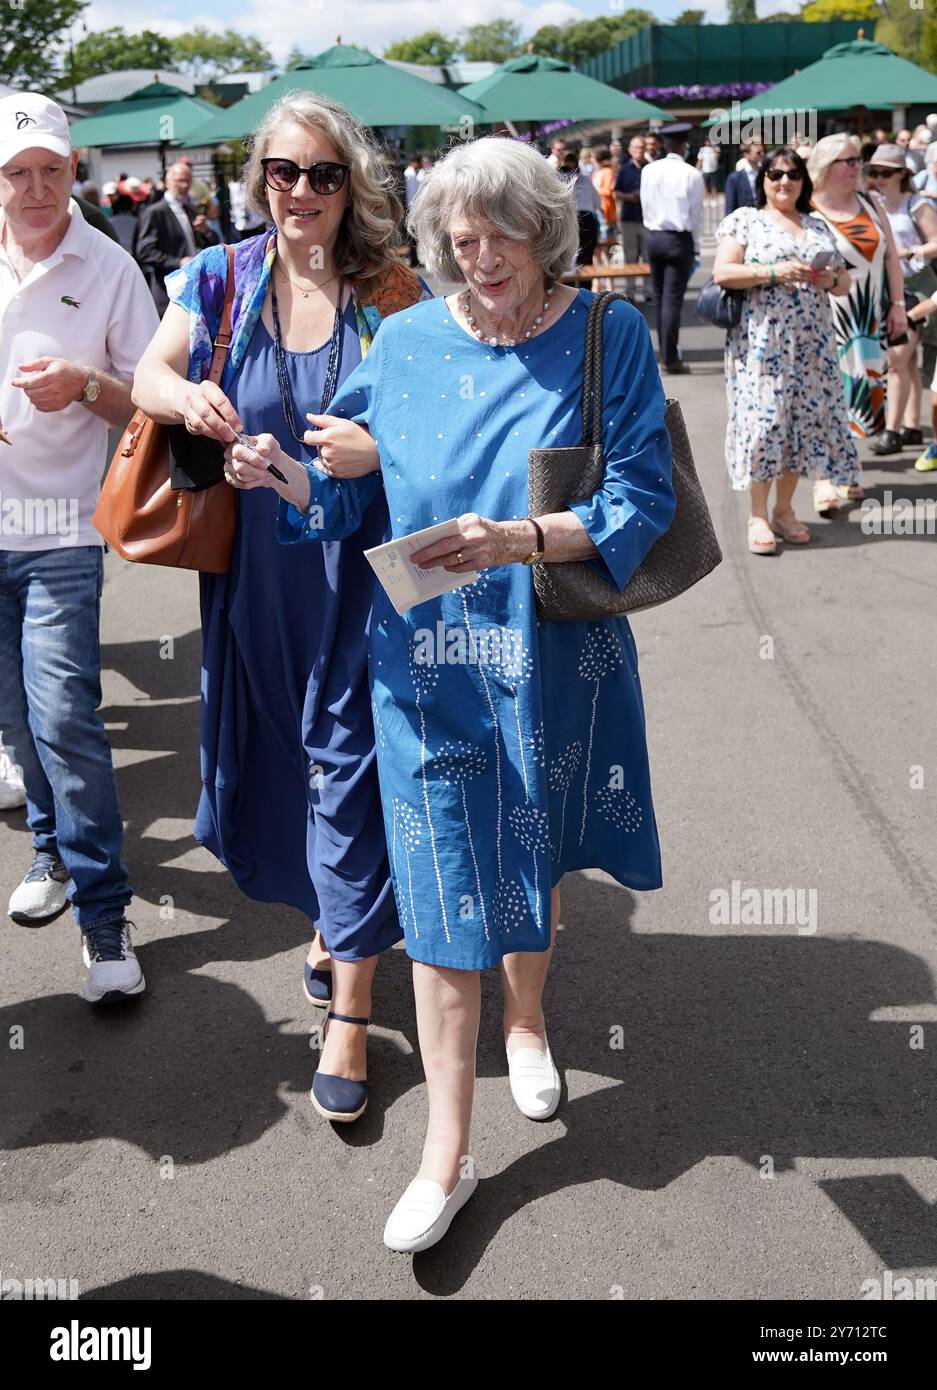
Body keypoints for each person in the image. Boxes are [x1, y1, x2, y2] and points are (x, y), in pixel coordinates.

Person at [226, 135, 676, 1253]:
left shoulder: (604, 334)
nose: (481, 259)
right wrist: (288, 475)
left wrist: (516, 536)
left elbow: (642, 497)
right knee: (437, 895)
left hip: (552, 650)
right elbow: (346, 503)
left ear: (545, 228)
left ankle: (527, 1023)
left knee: (527, 850)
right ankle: (447, 1154)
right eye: (460, 240)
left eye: (503, 236)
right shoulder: (408, 337)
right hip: (422, 662)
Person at [132, 90, 430, 1123]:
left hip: (359, 574)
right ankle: (332, 918)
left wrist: (375, 449)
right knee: (281, 755)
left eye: (323, 174)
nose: (299, 192)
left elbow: (444, 432)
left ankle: (350, 1007)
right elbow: (148, 371)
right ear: (258, 179)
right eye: (281, 172)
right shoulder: (221, 276)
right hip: (253, 576)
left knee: (346, 762)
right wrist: (188, 400)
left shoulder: (392, 291)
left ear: (355, 184)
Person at [0, 92, 159, 1000]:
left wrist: (85, 382)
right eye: (17, 173)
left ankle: (104, 922)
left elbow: (147, 400)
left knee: (64, 717)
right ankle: (53, 858)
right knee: (20, 724)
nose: (35, 189)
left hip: (60, 530)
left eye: (51, 171)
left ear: (75, 169)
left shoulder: (105, 264)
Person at [713, 147, 857, 555]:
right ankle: (757, 514)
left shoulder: (816, 225)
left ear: (803, 180)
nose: (784, 181)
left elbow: (844, 284)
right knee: (765, 423)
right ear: (762, 179)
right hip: (763, 343)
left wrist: (826, 279)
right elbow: (723, 272)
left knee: (802, 424)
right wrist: (774, 272)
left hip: (813, 345)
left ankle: (784, 509)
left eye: (792, 174)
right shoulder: (746, 220)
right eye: (775, 174)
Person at [808, 133, 906, 511]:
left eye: (857, 161)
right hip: (826, 319)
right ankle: (822, 478)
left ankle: (847, 468)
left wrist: (897, 305)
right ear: (826, 166)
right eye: (849, 161)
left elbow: (892, 259)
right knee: (825, 396)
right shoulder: (810, 209)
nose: (857, 168)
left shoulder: (870, 202)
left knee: (860, 393)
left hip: (869, 317)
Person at [865, 143, 937, 454]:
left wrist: (910, 252)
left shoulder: (917, 204)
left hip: (916, 289)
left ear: (901, 174)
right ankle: (910, 427)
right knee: (907, 363)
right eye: (874, 171)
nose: (879, 177)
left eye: (886, 172)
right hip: (885, 290)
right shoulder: (870, 203)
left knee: (895, 361)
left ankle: (891, 431)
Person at [640, 122, 703, 374]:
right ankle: (670, 357)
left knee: (660, 297)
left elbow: (645, 205)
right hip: (679, 239)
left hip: (654, 236)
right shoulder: (692, 174)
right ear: (684, 145)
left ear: (665, 145)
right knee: (672, 300)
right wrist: (696, 247)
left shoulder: (649, 170)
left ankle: (663, 352)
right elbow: (695, 215)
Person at [136, 162, 219, 315]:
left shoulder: (189, 208)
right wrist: (178, 262)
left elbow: (213, 242)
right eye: (180, 180)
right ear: (167, 182)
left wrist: (206, 231)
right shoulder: (155, 212)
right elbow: (145, 252)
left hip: (193, 289)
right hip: (168, 292)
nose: (185, 185)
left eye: (188, 181)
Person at [559, 151, 600, 268]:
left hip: (569, 219)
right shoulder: (586, 179)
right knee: (586, 259)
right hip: (587, 218)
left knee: (566, 257)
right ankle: (584, 285)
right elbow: (598, 203)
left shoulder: (558, 179)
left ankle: (569, 284)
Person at [723, 141, 765, 215]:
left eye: (762, 152)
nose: (762, 155)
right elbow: (730, 207)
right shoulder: (735, 178)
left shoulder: (765, 174)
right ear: (746, 154)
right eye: (758, 153)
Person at [591, 147, 617, 240]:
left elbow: (608, 191)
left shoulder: (608, 172)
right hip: (597, 210)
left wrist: (593, 192)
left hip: (605, 211)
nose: (592, 160)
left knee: (606, 241)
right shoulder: (596, 173)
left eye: (593, 158)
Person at [696, 138, 720, 204]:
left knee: (713, 185)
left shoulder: (716, 148)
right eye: (707, 141)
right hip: (705, 170)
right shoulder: (702, 150)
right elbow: (700, 160)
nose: (708, 142)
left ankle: (714, 200)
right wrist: (697, 168)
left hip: (713, 170)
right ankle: (705, 199)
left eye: (709, 141)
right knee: (705, 186)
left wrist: (713, 147)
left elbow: (717, 157)